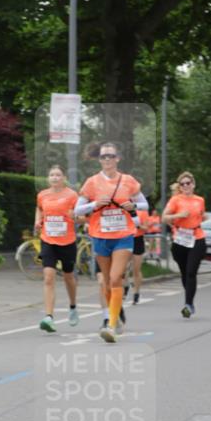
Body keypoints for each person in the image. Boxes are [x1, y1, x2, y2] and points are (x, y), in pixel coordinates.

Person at [75, 142, 148, 343]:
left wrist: (133, 205)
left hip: (123, 235)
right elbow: (77, 210)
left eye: (110, 156)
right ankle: (112, 317)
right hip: (100, 236)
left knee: (116, 278)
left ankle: (111, 324)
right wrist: (94, 204)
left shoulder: (128, 181)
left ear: (118, 158)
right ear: (99, 160)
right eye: (103, 157)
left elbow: (145, 204)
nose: (107, 160)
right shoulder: (91, 182)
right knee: (106, 282)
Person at [34, 166, 79, 333]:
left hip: (67, 241)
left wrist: (74, 215)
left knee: (68, 276)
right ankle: (49, 317)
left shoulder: (72, 195)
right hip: (48, 239)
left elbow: (81, 216)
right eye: (51, 175)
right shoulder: (42, 195)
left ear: (64, 178)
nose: (54, 177)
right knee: (48, 277)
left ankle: (73, 306)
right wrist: (38, 221)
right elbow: (39, 209)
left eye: (58, 175)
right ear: (48, 178)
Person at [162, 171, 208, 317]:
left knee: (191, 272)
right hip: (180, 239)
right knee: (184, 272)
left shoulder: (199, 200)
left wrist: (204, 217)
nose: (186, 186)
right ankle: (189, 299)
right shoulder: (176, 200)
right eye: (183, 184)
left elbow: (202, 215)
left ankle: (188, 305)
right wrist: (178, 216)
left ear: (193, 185)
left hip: (197, 237)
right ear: (180, 187)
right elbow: (164, 218)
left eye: (188, 183)